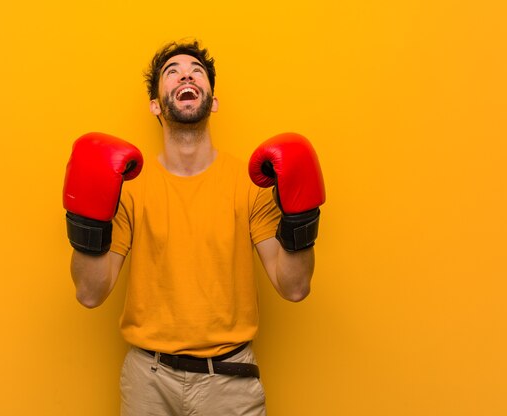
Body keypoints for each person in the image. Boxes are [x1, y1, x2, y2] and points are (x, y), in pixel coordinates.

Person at [62, 40, 325, 416]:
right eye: (172, 71)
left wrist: (301, 218)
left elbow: (295, 287)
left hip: (230, 381)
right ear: (155, 104)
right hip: (147, 382)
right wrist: (87, 222)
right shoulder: (129, 186)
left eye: (196, 70)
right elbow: (90, 293)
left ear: (213, 100)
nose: (186, 73)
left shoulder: (251, 184)